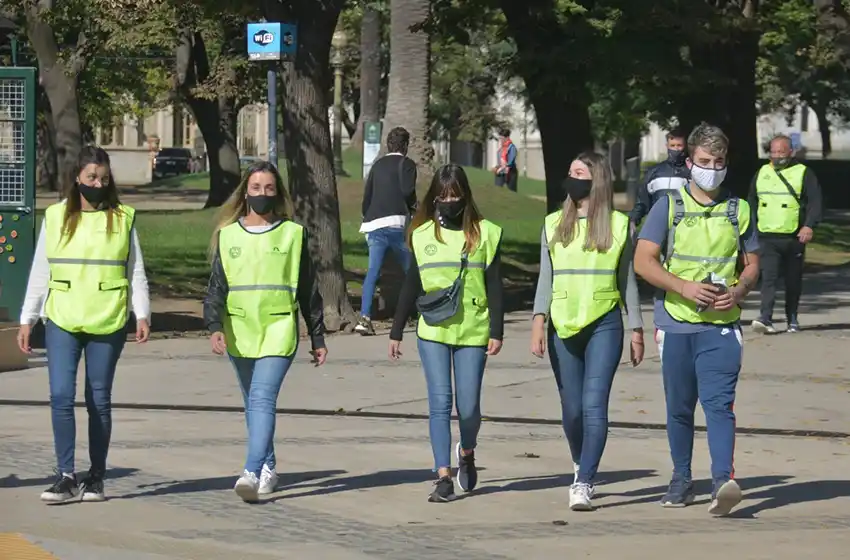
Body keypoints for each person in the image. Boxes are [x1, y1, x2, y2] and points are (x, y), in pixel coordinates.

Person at [634, 123, 760, 516]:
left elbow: (753, 264)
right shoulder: (667, 207)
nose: (712, 168)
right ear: (689, 162)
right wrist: (683, 287)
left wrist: (738, 290)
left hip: (722, 325)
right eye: (705, 161)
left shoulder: (738, 209)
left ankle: (723, 481)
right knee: (680, 407)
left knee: (720, 404)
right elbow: (642, 261)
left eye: (718, 161)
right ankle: (681, 478)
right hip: (675, 322)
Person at [16, 145, 151, 504]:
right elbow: (40, 271)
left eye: (104, 179)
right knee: (61, 396)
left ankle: (96, 476)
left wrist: (142, 313)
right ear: (77, 178)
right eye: (91, 177)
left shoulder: (123, 218)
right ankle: (65, 476)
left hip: (107, 317)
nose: (97, 183)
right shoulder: (57, 216)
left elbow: (134, 269)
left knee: (98, 399)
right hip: (62, 316)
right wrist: (27, 318)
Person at [203, 161, 328, 503]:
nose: (262, 194)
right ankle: (269, 467)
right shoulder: (228, 236)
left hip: (278, 328)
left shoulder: (292, 234)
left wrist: (317, 336)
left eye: (269, 188)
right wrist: (213, 325)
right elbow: (217, 287)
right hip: (240, 329)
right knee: (252, 404)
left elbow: (309, 289)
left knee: (261, 398)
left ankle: (251, 470)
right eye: (256, 188)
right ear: (246, 192)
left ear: (278, 193)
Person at [530, 152, 645, 511]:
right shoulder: (552, 224)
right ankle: (581, 459)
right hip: (563, 323)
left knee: (594, 405)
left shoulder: (620, 225)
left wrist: (637, 328)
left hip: (604, 322)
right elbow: (545, 278)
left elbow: (627, 280)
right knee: (573, 410)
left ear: (596, 180)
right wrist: (538, 321)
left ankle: (584, 480)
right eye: (570, 172)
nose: (571, 179)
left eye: (579, 173)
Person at [388, 164, 504, 503]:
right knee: (440, 403)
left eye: (454, 195)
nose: (448, 201)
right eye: (442, 195)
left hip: (473, 330)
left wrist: (497, 329)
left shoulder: (486, 233)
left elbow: (494, 284)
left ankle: (466, 451)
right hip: (433, 330)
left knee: (468, 408)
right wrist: (396, 330)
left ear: (465, 195)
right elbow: (412, 283)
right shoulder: (422, 234)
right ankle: (442, 476)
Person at [748, 133, 823, 334]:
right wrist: (752, 228)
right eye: (773, 152)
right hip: (767, 235)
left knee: (792, 279)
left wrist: (809, 226)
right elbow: (752, 201)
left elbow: (815, 202)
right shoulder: (762, 172)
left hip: (794, 237)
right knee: (769, 278)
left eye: (781, 151)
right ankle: (766, 318)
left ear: (791, 152)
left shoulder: (803, 173)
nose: (776, 155)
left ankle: (792, 318)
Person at [356, 126, 417, 336]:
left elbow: (367, 196)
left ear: (388, 145)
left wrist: (368, 215)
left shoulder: (377, 165)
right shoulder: (407, 165)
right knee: (412, 271)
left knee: (372, 272)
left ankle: (365, 318)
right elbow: (408, 192)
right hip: (396, 224)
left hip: (373, 225)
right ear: (405, 146)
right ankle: (426, 312)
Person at [630, 128, 690, 238]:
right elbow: (642, 200)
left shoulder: (691, 172)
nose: (676, 149)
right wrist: (633, 220)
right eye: (673, 145)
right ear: (667, 146)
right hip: (656, 225)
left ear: (685, 146)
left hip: (684, 227)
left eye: (679, 145)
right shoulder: (654, 172)